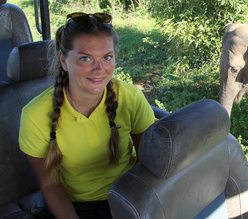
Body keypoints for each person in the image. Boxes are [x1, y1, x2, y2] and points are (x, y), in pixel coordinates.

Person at [19, 12, 156, 219]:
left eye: (107, 57)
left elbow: (148, 162)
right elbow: (50, 183)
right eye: (85, 58)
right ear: (64, 60)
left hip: (129, 194)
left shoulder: (130, 97)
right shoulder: (35, 115)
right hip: (78, 206)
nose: (99, 69)